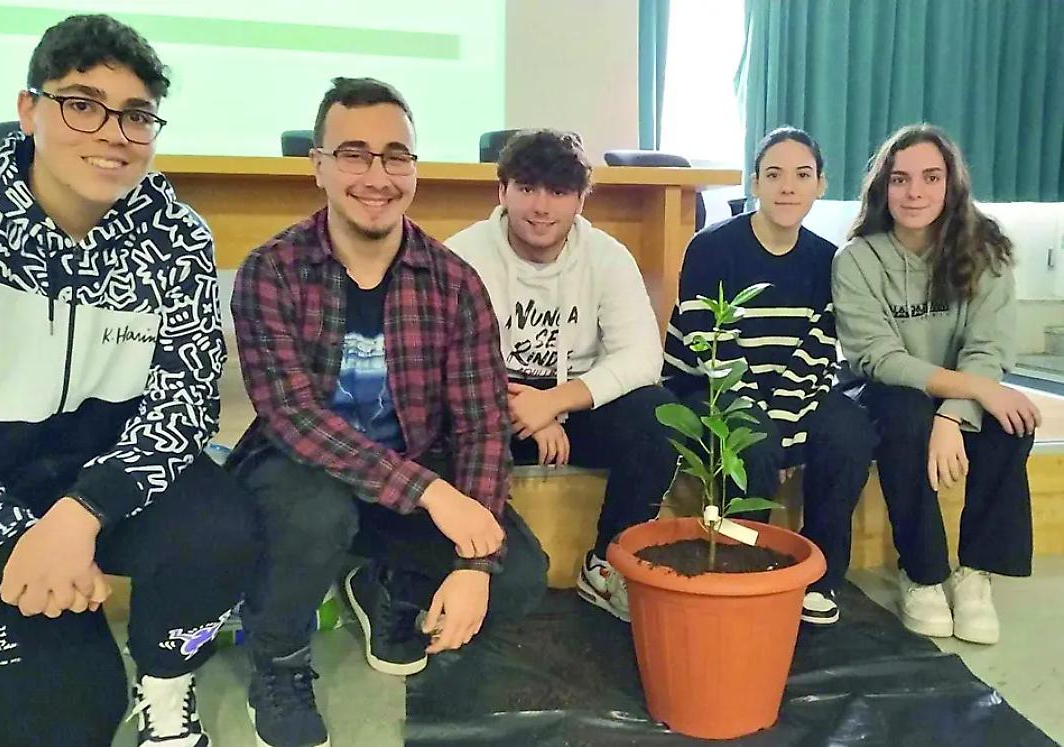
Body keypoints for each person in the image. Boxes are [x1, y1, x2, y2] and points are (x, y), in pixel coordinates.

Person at [0, 14, 258, 747]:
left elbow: (184, 402)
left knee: (223, 530)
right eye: (82, 104)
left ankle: (167, 682)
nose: (113, 132)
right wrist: (13, 544)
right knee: (71, 724)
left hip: (108, 478)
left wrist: (82, 513)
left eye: (136, 115)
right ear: (29, 110)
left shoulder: (178, 236)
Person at [227, 77, 549, 747]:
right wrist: (434, 495)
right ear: (317, 165)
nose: (377, 174)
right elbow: (294, 419)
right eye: (354, 153)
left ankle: (387, 584)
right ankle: (278, 658)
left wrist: (472, 562)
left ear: (414, 168)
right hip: (300, 476)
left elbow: (484, 424)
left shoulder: (454, 282)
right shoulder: (273, 271)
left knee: (517, 573)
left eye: (396, 155)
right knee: (317, 511)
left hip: (407, 480)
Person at [446, 129, 675, 624]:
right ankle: (452, 565)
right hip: (489, 405)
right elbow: (445, 360)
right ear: (501, 190)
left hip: (574, 407)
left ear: (580, 199)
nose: (541, 206)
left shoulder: (608, 257)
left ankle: (607, 565)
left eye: (558, 191)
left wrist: (556, 402)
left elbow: (641, 357)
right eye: (527, 188)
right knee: (433, 422)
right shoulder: (462, 256)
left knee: (657, 416)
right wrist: (522, 407)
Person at [833, 123, 1039, 644]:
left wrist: (954, 412)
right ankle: (923, 573)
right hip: (889, 392)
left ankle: (976, 572)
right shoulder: (857, 259)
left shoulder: (985, 251)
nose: (915, 192)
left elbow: (988, 349)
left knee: (1013, 419)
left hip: (963, 392)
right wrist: (965, 393)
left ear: (951, 185)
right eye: (900, 179)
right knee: (906, 414)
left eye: (930, 177)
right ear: (884, 188)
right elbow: (877, 357)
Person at [663, 127, 875, 626]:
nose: (787, 187)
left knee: (850, 432)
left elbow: (819, 350)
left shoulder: (828, 259)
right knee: (752, 445)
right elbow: (710, 344)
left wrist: (781, 421)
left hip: (794, 395)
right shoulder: (710, 247)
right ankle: (743, 572)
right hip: (710, 388)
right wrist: (769, 428)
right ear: (754, 182)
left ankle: (819, 577)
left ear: (820, 184)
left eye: (802, 175)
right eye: (773, 174)